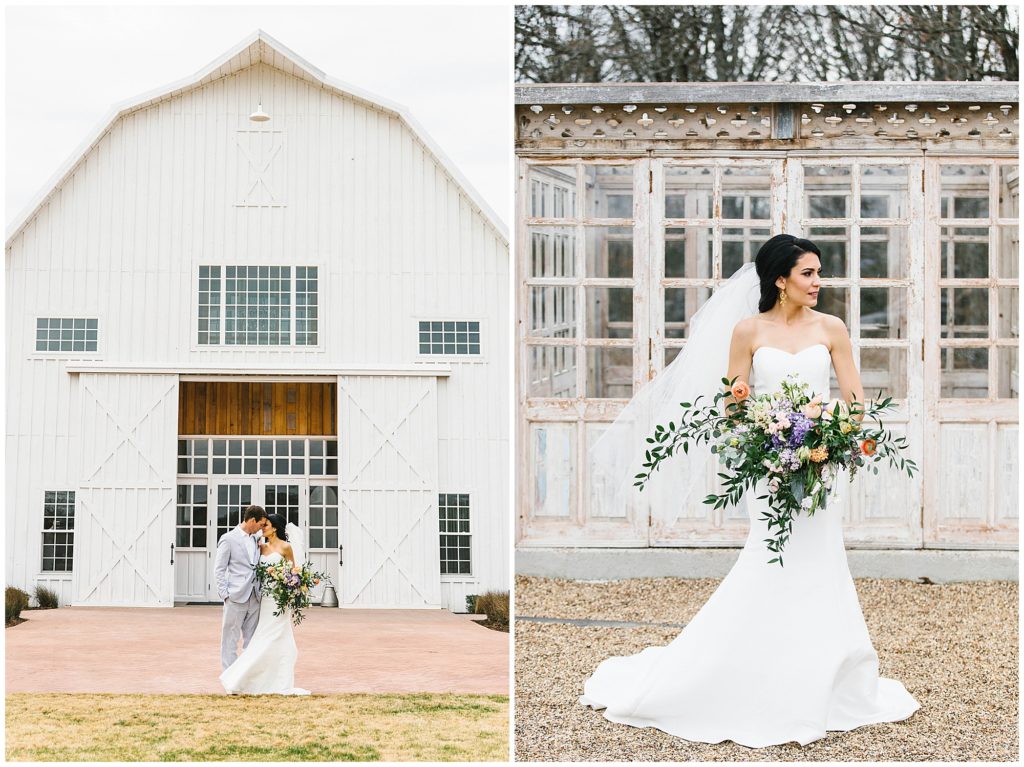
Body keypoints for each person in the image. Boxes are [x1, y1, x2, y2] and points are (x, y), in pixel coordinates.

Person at [580, 234, 920, 748]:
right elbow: (733, 405)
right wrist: (766, 436)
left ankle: (825, 676)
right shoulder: (747, 330)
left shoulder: (832, 329)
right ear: (780, 279)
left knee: (822, 561)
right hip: (770, 468)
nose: (818, 282)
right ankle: (742, 673)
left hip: (820, 467)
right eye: (808, 273)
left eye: (819, 272)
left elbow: (854, 401)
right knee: (769, 559)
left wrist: (830, 433)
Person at [219, 513, 310, 695]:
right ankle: (243, 677)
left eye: (266, 525)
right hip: (264, 599)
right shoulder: (260, 547)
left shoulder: (286, 547)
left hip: (279, 600)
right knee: (262, 638)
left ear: (275, 527)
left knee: (280, 638)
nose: (262, 528)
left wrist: (291, 586)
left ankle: (277, 678)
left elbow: (295, 572)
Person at [215, 505, 267, 671]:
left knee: (252, 639)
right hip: (235, 596)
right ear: (252, 521)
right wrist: (225, 595)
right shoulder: (228, 539)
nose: (262, 528)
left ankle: (245, 674)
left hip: (255, 596)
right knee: (230, 638)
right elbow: (219, 569)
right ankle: (229, 675)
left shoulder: (255, 539)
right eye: (261, 524)